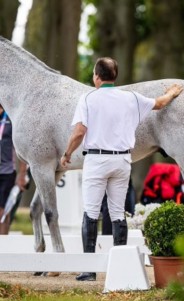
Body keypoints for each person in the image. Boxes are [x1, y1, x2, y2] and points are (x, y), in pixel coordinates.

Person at [60, 57, 183, 281]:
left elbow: (79, 132)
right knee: (117, 214)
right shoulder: (131, 98)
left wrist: (67, 154)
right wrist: (173, 92)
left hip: (97, 161)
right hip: (122, 161)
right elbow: (159, 104)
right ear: (115, 76)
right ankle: (120, 266)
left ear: (96, 76)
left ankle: (89, 270)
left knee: (90, 212)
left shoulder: (87, 98)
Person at [0, 104, 27, 234]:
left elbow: (19, 149)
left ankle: (3, 246)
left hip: (7, 172)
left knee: (3, 211)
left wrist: (22, 174)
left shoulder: (10, 119)